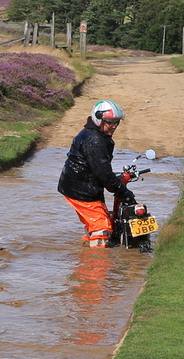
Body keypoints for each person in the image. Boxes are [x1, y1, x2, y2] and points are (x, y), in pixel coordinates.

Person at [57, 99, 135, 248]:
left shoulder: (95, 134)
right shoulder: (94, 140)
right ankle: (96, 266)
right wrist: (123, 191)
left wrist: (116, 184)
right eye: (110, 122)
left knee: (95, 224)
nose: (113, 126)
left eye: (116, 122)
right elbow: (104, 173)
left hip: (81, 185)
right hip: (81, 190)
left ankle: (86, 253)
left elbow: (101, 169)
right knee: (102, 228)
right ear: (99, 119)